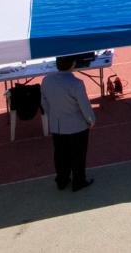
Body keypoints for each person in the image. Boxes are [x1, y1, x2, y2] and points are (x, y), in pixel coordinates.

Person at [41, 55, 96, 191]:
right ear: (72, 64)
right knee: (78, 155)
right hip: (77, 126)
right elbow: (84, 106)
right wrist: (91, 120)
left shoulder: (47, 80)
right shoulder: (76, 83)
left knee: (60, 155)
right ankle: (79, 181)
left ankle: (62, 180)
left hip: (57, 125)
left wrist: (53, 116)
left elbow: (44, 103)